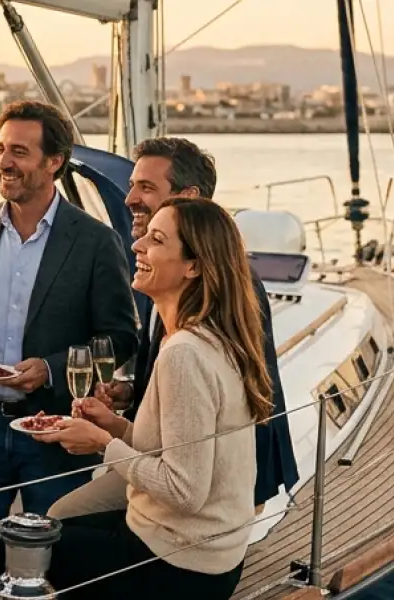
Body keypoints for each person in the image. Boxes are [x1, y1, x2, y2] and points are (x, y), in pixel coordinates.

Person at [0, 197, 265, 600]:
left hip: (177, 564)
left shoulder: (185, 353)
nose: (138, 246)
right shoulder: (206, 338)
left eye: (157, 240)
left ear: (193, 266)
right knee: (54, 521)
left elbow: (185, 489)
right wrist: (115, 425)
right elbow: (179, 449)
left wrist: (102, 444)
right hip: (200, 552)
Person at [0, 100, 137, 595]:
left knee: (54, 564)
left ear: (53, 162)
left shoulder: (94, 241)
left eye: (19, 151)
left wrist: (49, 368)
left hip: (55, 434)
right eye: (0, 149)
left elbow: (120, 336)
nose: (4, 161)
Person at [103, 137, 298, 509]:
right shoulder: (160, 271)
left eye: (147, 187)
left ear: (189, 196)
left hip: (220, 485)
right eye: (132, 186)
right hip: (169, 460)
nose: (130, 199)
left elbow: (237, 393)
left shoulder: (230, 287)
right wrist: (133, 392)